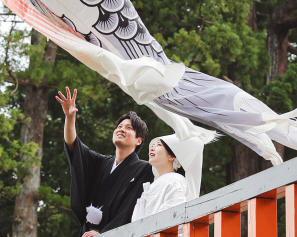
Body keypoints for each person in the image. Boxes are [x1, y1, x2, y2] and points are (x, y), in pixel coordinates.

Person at [57, 87, 154, 236]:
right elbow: (74, 146)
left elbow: (130, 210)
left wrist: (105, 234)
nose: (121, 129)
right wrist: (70, 118)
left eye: (128, 128)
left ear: (139, 140)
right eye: (119, 126)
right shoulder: (100, 162)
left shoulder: (145, 169)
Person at [131, 134, 206, 223]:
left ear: (171, 156)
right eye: (153, 145)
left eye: (158, 145)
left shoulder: (175, 180)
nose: (152, 148)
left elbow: (172, 214)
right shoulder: (154, 184)